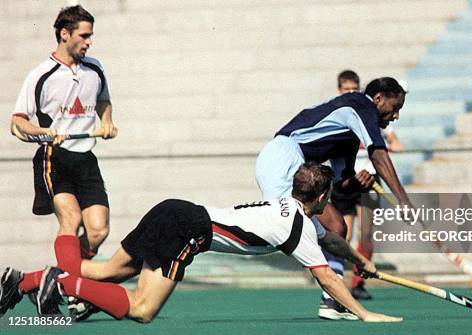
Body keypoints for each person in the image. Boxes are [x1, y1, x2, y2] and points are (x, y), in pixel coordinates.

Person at [0, 163, 402, 323]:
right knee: (142, 310)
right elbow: (326, 280)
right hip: (188, 229)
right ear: (322, 198)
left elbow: (331, 240)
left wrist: (358, 263)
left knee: (104, 270)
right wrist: (365, 315)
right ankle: (64, 284)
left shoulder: (290, 209)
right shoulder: (295, 228)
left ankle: (22, 282)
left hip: (173, 209)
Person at [256, 77, 414, 319]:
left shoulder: (349, 136)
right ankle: (209, 231)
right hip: (283, 159)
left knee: (336, 226)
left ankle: (332, 301)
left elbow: (342, 183)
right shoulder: (361, 106)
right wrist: (403, 200)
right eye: (396, 108)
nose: (396, 116)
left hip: (290, 164)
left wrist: (358, 182)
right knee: (273, 235)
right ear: (379, 98)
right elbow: (379, 155)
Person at [9, 4, 117, 299]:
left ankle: (51, 280)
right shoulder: (41, 75)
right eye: (84, 35)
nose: (89, 41)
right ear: (65, 34)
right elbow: (17, 122)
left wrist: (106, 121)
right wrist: (42, 132)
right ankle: (72, 291)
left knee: (97, 231)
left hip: (85, 159)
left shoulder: (94, 68)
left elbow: (104, 101)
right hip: (53, 158)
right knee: (71, 220)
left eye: (91, 35)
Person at [333, 70, 405, 300]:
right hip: (348, 179)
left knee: (366, 233)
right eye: (346, 89)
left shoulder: (378, 119)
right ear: (339, 90)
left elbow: (397, 145)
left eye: (354, 88)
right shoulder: (344, 114)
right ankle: (336, 284)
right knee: (343, 233)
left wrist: (381, 148)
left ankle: (358, 283)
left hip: (372, 180)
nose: (351, 92)